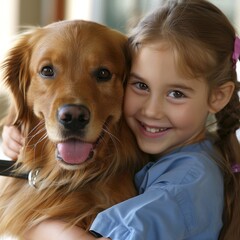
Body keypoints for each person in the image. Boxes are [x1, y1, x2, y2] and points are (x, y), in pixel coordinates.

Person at [2, 0, 240, 239]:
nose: (152, 110)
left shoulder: (185, 182)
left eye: (102, 74)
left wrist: (35, 225)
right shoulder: (166, 152)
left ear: (217, 96)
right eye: (47, 71)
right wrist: (15, 127)